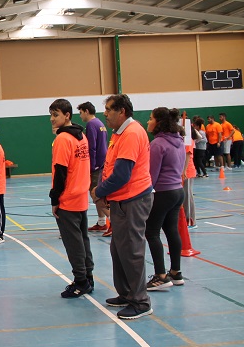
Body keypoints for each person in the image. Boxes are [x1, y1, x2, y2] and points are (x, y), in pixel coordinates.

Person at [92, 94, 153, 320]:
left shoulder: (132, 133)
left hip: (133, 200)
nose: (105, 114)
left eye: (109, 110)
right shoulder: (119, 134)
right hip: (121, 200)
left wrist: (99, 192)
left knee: (131, 251)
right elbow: (109, 167)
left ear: (122, 112)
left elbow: (122, 174)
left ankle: (141, 301)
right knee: (118, 250)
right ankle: (127, 294)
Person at [49, 99, 93, 298]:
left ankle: (81, 281)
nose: (52, 119)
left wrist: (55, 199)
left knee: (73, 243)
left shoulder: (63, 139)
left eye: (56, 115)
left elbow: (60, 172)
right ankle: (87, 277)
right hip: (81, 196)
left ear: (67, 115)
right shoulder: (81, 136)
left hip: (68, 199)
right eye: (51, 115)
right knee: (83, 240)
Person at [144, 107, 186, 291]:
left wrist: (143, 194)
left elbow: (151, 176)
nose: (148, 122)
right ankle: (176, 272)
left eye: (150, 118)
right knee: (171, 231)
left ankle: (160, 276)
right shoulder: (179, 141)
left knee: (151, 232)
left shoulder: (158, 144)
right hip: (178, 191)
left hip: (163, 193)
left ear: (159, 122)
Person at [78, 102, 110, 236]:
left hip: (96, 165)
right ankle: (102, 223)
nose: (80, 116)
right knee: (97, 194)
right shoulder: (100, 123)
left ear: (86, 111)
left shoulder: (91, 124)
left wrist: (90, 167)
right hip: (103, 163)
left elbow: (91, 147)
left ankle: (112, 221)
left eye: (80, 113)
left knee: (96, 194)